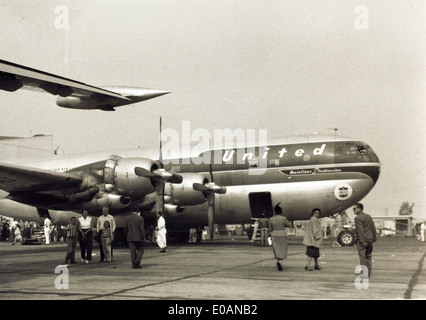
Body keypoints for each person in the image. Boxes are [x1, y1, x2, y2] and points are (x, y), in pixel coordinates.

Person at [353, 203, 377, 278]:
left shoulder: (357, 218)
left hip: (363, 240)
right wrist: (374, 238)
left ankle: (364, 274)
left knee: (362, 257)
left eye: (354, 209)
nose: (353, 210)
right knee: (369, 257)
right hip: (370, 240)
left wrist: (362, 241)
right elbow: (373, 228)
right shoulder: (368, 217)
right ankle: (368, 273)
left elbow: (360, 230)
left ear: (359, 209)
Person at [268, 203, 292, 271]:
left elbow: (270, 229)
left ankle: (278, 261)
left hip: (274, 234)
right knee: (283, 250)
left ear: (275, 212)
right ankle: (279, 261)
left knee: (277, 249)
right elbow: (289, 225)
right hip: (282, 234)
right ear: (281, 211)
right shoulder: (283, 218)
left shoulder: (271, 219)